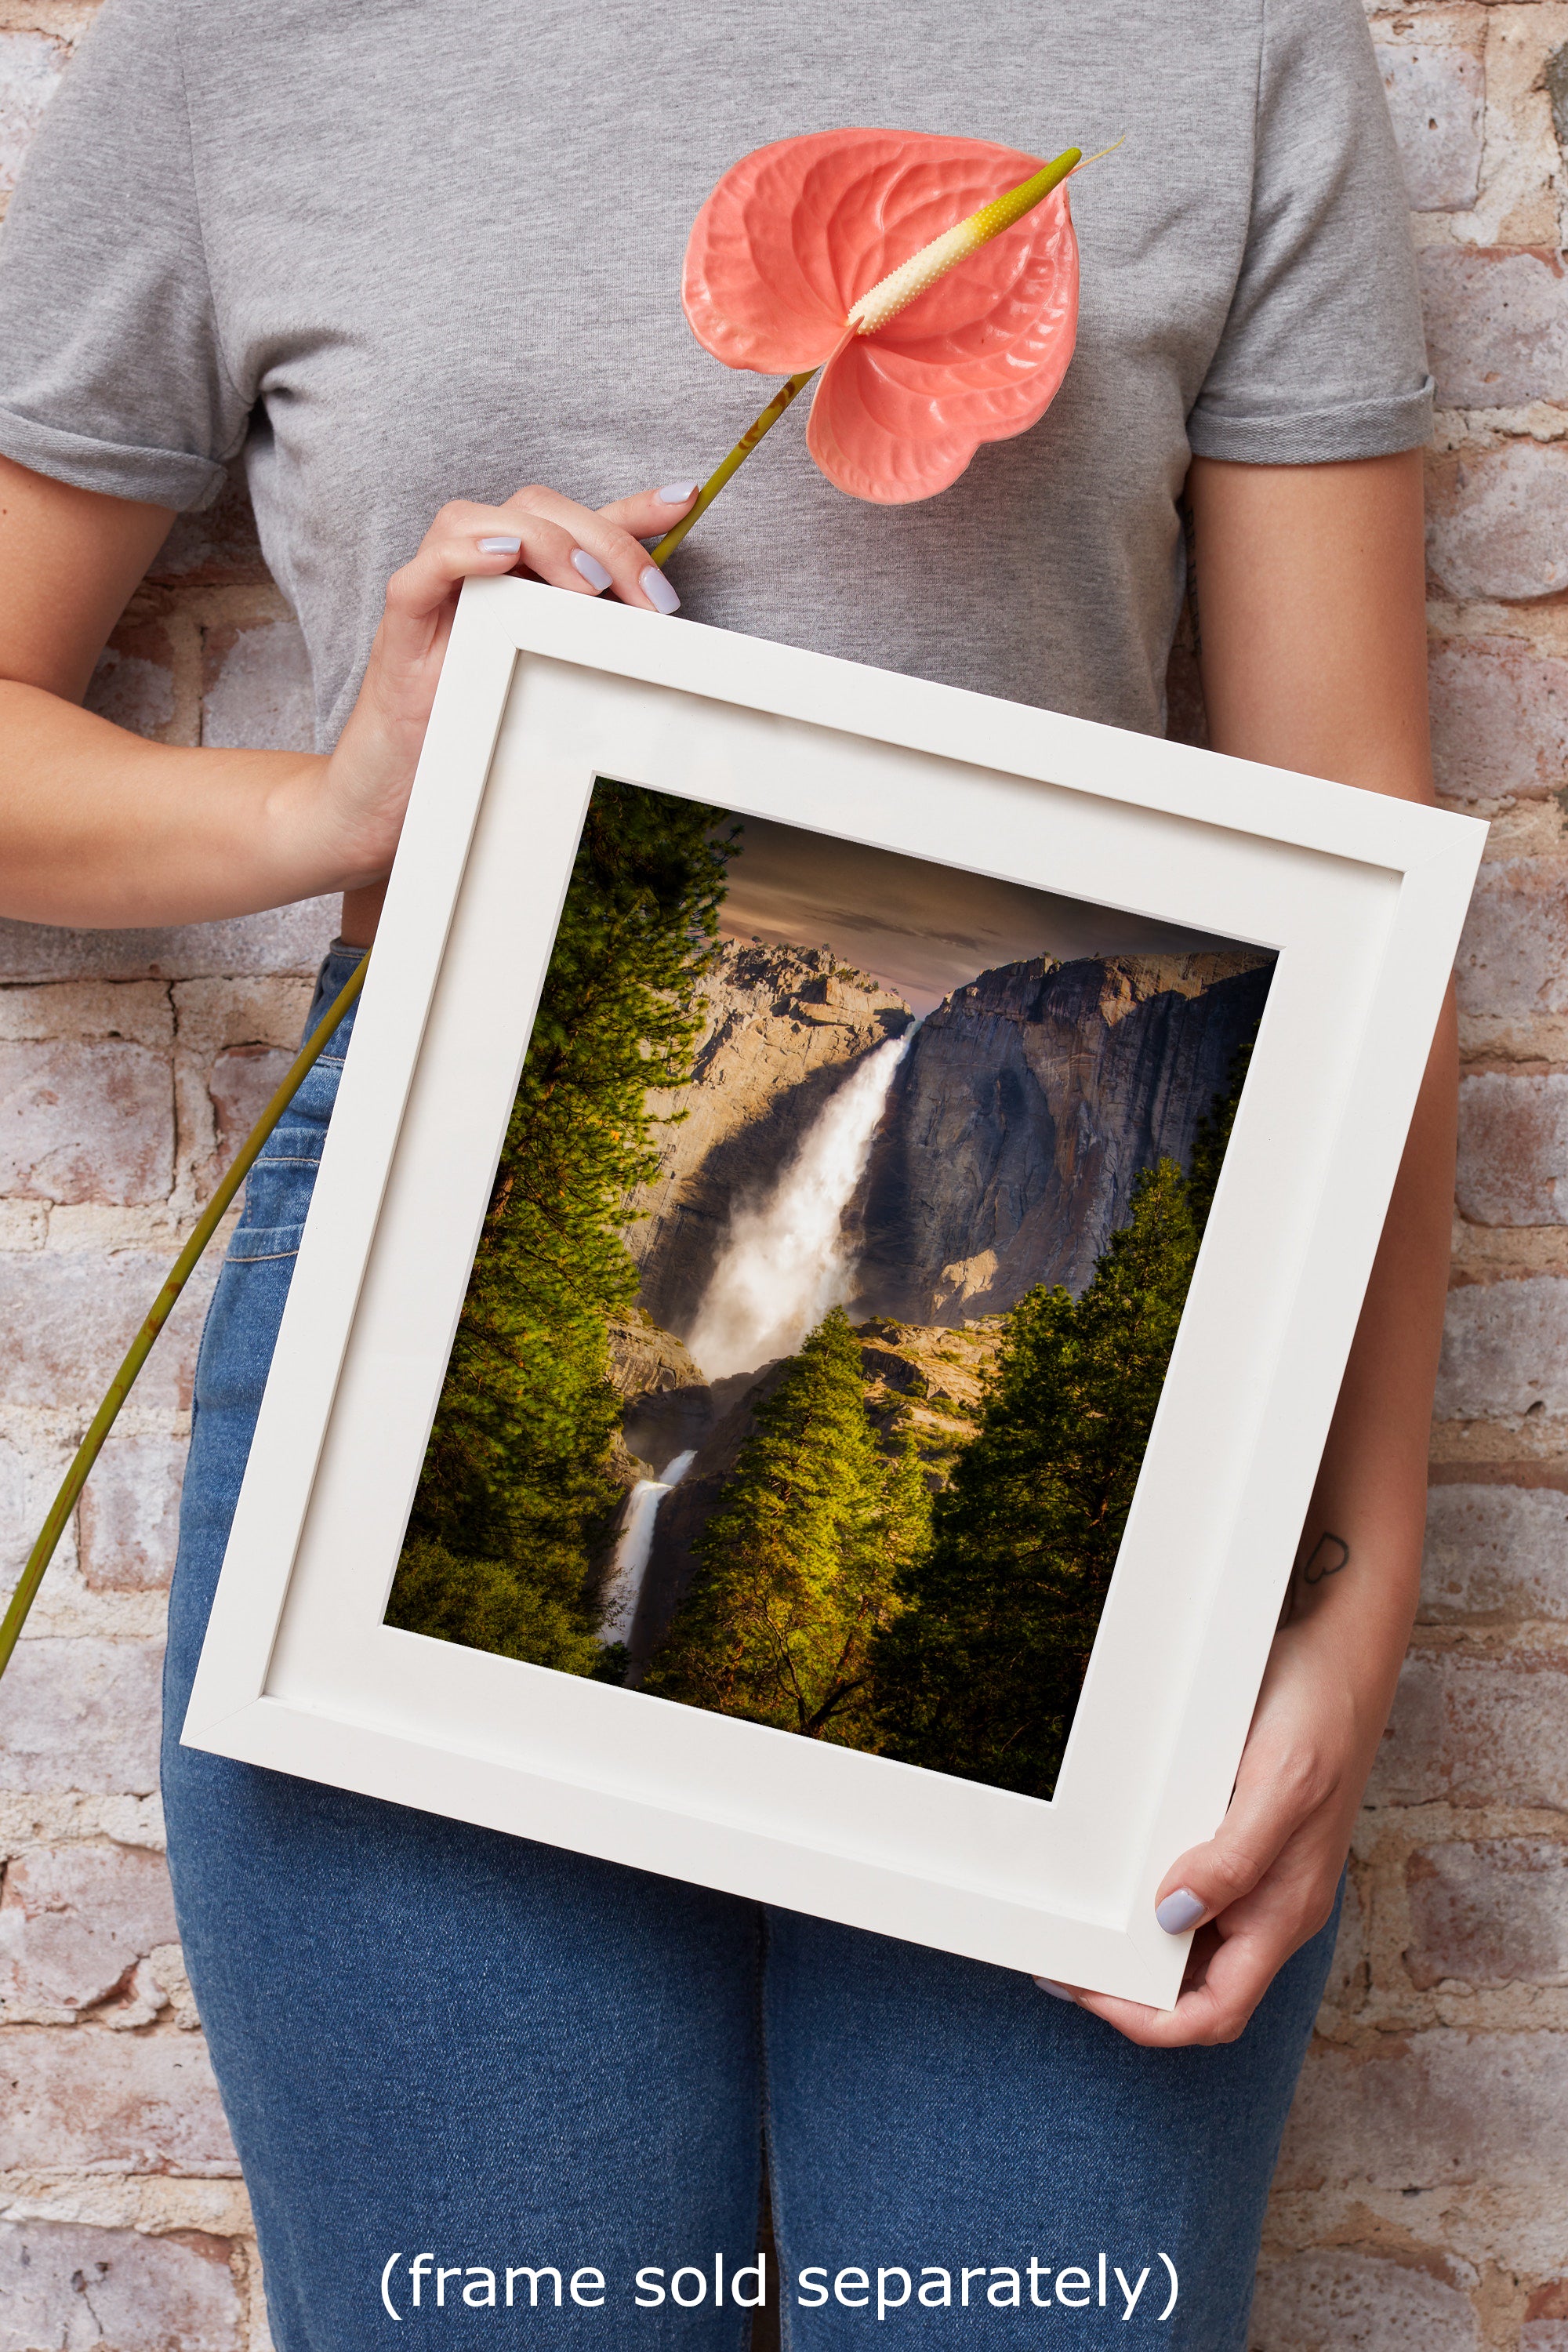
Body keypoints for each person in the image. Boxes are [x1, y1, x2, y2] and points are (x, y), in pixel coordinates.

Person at [0, 1, 1451, 2344]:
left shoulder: (1223, 40)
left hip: (1063, 1303)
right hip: (452, 1268)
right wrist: (324, 806)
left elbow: (1374, 892)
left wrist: (1349, 1587)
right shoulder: (233, 49)